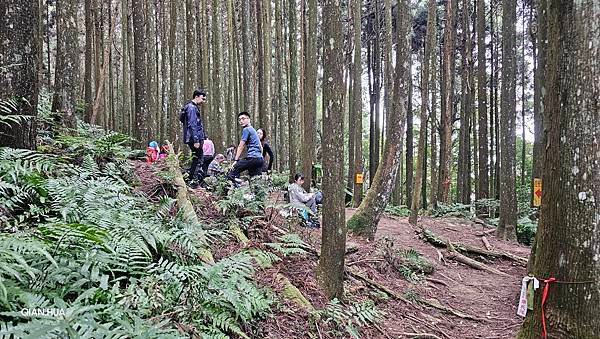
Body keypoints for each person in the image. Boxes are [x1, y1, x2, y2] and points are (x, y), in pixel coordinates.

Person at [227, 112, 264, 181]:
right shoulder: (253, 130)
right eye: (239, 119)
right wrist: (259, 156)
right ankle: (257, 191)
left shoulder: (246, 129)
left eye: (243, 119)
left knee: (232, 171)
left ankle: (235, 189)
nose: (241, 121)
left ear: (248, 119)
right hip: (259, 159)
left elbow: (241, 146)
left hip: (252, 158)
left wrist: (236, 160)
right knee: (256, 181)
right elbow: (260, 146)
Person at [180, 88, 207, 183]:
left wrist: (204, 136)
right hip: (193, 138)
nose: (203, 101)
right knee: (199, 158)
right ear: (196, 97)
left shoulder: (192, 107)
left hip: (194, 137)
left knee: (196, 158)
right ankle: (193, 181)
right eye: (202, 98)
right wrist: (196, 140)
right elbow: (192, 124)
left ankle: (190, 179)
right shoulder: (191, 108)